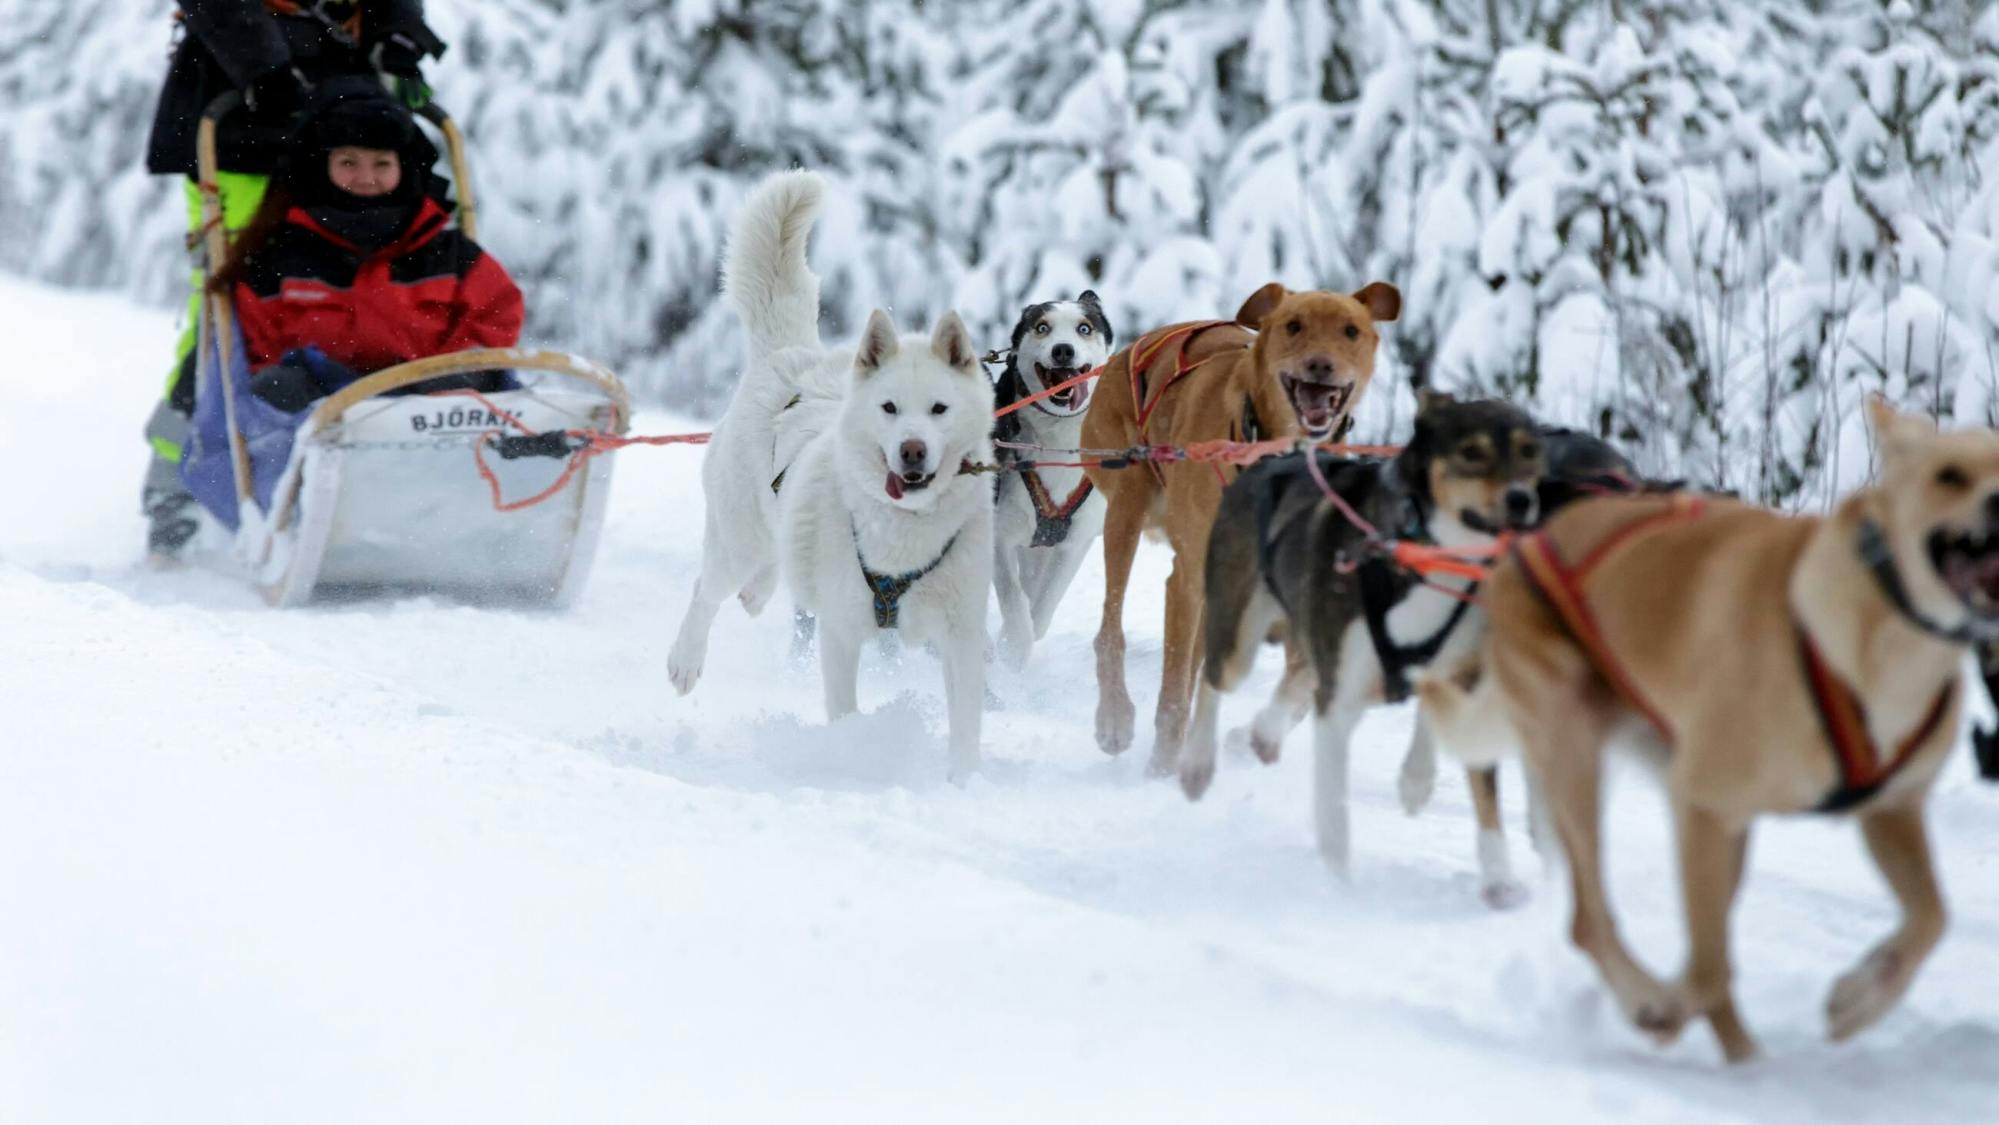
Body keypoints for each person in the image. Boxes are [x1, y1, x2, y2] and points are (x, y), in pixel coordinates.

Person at [143, 0, 446, 557]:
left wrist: (398, 33)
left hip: (349, 107)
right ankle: (181, 471)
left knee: (391, 284)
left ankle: (381, 460)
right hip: (241, 118)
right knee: (234, 299)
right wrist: (262, 65)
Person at [210, 79, 524, 415]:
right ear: (323, 166)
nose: (366, 177)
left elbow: (495, 312)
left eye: (382, 164)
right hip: (316, 426)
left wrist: (462, 367)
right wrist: (278, 377)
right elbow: (255, 343)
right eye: (349, 163)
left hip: (432, 421)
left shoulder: (449, 256)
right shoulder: (280, 262)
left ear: (404, 167)